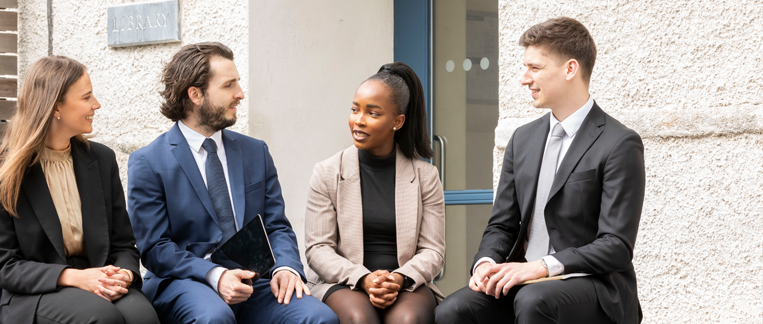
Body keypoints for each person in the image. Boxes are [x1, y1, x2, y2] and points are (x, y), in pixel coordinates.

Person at [434, 17, 645, 324]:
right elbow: (502, 224)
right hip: (526, 280)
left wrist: (542, 266)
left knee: (534, 301)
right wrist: (485, 263)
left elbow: (616, 246)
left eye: (535, 68)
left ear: (570, 69)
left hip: (595, 286)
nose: (524, 78)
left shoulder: (619, 143)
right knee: (452, 310)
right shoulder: (523, 139)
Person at [126, 42, 339, 324]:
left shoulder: (256, 152)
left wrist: (285, 268)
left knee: (318, 318)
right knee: (214, 318)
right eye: (229, 85)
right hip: (186, 281)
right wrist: (215, 275)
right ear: (195, 94)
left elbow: (276, 224)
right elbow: (155, 248)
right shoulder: (149, 161)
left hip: (257, 280)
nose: (240, 94)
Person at [0, 56, 160, 324]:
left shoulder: (101, 160)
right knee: (101, 318)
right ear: (55, 107)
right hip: (35, 292)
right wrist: (75, 278)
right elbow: (4, 267)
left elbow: (123, 243)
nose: (96, 105)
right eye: (86, 97)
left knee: (142, 317)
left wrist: (125, 274)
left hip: (98, 276)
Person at [304, 62, 445, 324]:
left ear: (397, 121)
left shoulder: (426, 177)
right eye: (355, 109)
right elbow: (318, 248)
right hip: (344, 282)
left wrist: (398, 278)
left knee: (408, 320)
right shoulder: (327, 172)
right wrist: (364, 278)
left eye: (373, 113)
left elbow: (433, 251)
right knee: (360, 318)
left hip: (405, 283)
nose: (359, 120)